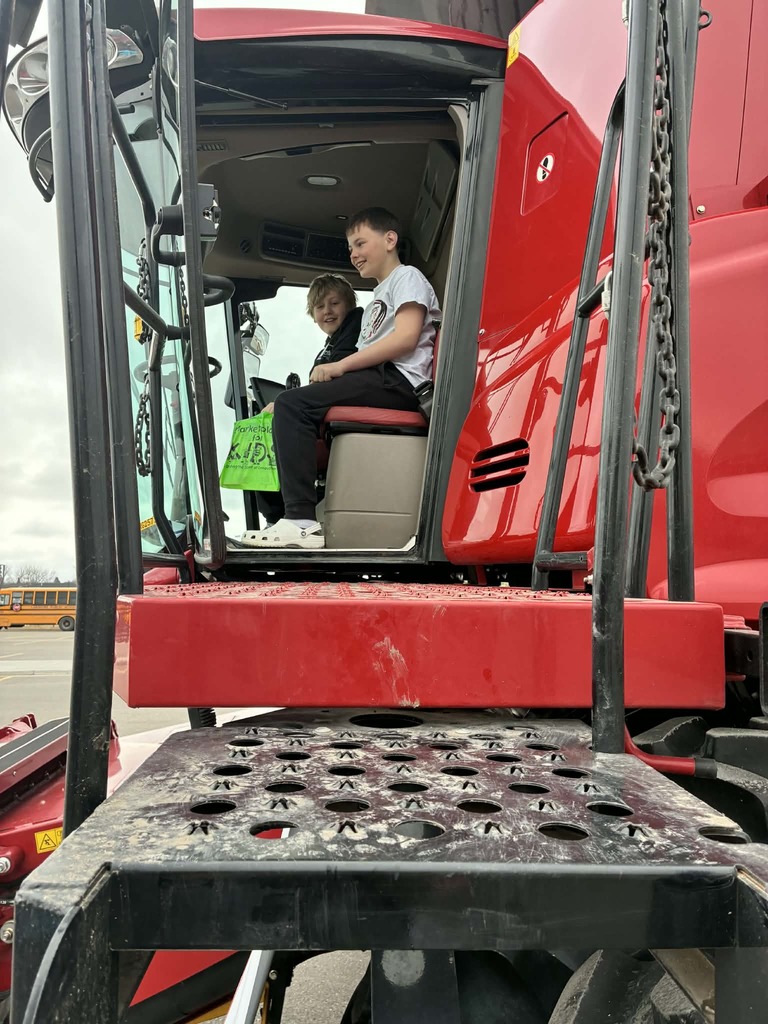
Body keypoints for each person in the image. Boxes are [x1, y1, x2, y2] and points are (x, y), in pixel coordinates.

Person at [241, 206, 441, 549]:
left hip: (402, 382)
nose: (354, 254)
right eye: (351, 248)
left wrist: (340, 367)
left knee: (292, 406)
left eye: (361, 244)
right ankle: (289, 516)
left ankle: (300, 520)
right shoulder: (381, 293)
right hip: (382, 378)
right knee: (293, 406)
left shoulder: (407, 277)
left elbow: (407, 337)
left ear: (390, 239)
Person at [255, 274, 363, 526]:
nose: (327, 311)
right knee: (262, 431)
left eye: (334, 303)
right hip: (332, 407)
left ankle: (294, 516)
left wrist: (287, 402)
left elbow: (339, 378)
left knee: (286, 409)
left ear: (349, 305)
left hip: (350, 401)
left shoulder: (356, 327)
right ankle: (276, 517)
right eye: (319, 306)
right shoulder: (329, 345)